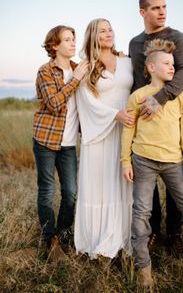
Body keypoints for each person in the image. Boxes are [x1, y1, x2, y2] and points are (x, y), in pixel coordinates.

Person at [121, 38, 183, 288]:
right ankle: (143, 267)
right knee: (141, 213)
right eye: (166, 63)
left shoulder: (181, 96)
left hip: (174, 162)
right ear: (151, 67)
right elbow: (128, 132)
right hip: (143, 161)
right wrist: (125, 161)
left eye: (173, 63)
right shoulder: (138, 96)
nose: (172, 67)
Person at [129, 0, 183, 254]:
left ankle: (175, 233)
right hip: (144, 120)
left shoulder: (177, 37)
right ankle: (153, 231)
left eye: (164, 6)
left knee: (174, 173)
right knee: (148, 179)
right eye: (155, 8)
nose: (162, 11)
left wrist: (159, 99)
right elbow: (134, 78)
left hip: (170, 115)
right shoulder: (134, 43)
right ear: (142, 12)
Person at [74, 18, 134, 259]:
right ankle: (98, 240)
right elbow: (85, 102)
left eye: (110, 29)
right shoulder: (86, 66)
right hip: (100, 130)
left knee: (123, 182)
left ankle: (123, 238)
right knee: (99, 182)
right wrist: (113, 115)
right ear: (93, 36)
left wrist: (127, 116)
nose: (108, 33)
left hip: (127, 128)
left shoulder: (128, 61)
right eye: (102, 31)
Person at [33, 25, 88, 261]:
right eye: (67, 39)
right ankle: (50, 239)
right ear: (55, 46)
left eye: (74, 38)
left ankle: (63, 237)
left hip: (68, 144)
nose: (73, 43)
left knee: (71, 193)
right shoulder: (45, 71)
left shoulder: (80, 69)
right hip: (45, 139)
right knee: (47, 191)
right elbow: (54, 103)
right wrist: (75, 81)